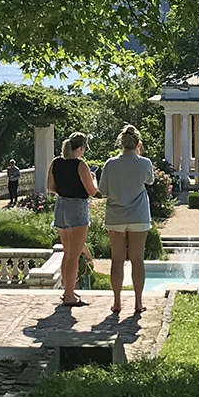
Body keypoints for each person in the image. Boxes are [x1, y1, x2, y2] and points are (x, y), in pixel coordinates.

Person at [98, 125, 156, 314]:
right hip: (139, 215)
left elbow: (103, 191)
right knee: (137, 260)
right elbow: (150, 181)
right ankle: (138, 303)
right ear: (138, 144)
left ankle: (117, 302)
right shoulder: (144, 163)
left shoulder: (110, 164)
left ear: (120, 143)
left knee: (117, 260)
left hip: (115, 216)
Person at [47, 132, 97, 307]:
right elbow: (92, 191)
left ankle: (67, 290)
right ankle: (69, 295)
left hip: (61, 206)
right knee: (74, 255)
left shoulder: (56, 163)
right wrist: (93, 179)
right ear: (81, 148)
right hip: (77, 207)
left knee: (67, 252)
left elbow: (50, 187)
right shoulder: (80, 165)